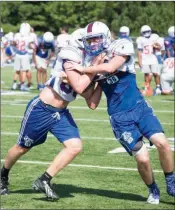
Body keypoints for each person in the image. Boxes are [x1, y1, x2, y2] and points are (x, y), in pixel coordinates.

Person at [67, 21, 175, 204]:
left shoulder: (121, 45)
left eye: (96, 39)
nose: (93, 43)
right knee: (142, 158)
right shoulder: (92, 63)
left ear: (107, 36)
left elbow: (110, 68)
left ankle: (171, 182)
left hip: (139, 108)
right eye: (90, 40)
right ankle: (153, 189)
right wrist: (88, 79)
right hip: (119, 117)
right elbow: (92, 103)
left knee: (162, 143)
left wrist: (86, 70)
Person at [0, 28, 99, 201]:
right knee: (22, 148)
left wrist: (102, 80)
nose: (92, 45)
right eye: (89, 41)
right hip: (42, 109)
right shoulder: (70, 56)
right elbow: (79, 87)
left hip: (60, 113)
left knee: (75, 146)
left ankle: (44, 179)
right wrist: (96, 70)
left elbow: (90, 99)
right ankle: (3, 176)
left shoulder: (84, 62)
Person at [136, 25, 161, 96]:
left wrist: (156, 46)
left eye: (147, 31)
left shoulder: (154, 37)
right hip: (145, 59)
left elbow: (159, 47)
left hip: (153, 58)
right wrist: (140, 61)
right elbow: (139, 51)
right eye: (145, 32)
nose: (146, 33)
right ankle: (147, 88)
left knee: (156, 73)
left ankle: (158, 88)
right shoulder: (140, 39)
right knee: (147, 74)